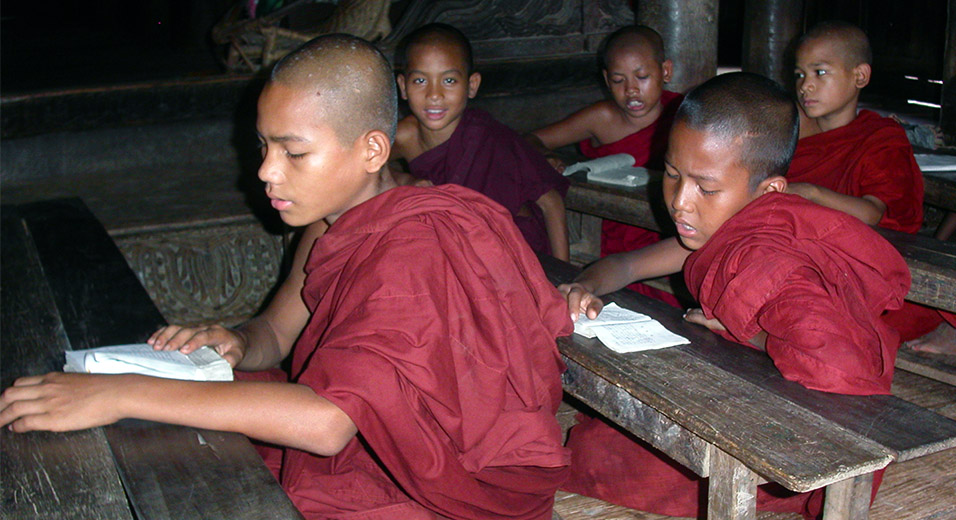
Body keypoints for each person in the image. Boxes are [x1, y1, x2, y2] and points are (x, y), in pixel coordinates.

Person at [0, 34, 574, 520]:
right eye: (263, 147)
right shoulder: (327, 225)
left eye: (293, 153)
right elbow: (276, 332)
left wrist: (119, 394)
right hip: (359, 431)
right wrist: (236, 340)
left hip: (441, 474)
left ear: (372, 148)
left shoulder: (415, 246)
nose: (266, 172)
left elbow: (327, 426)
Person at [558, 72, 910, 519]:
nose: (680, 202)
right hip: (760, 391)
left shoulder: (771, 254)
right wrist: (585, 286)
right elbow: (630, 264)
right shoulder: (725, 226)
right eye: (670, 174)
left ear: (769, 192)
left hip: (812, 436)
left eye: (705, 188)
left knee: (598, 456)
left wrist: (750, 338)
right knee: (607, 428)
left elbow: (841, 365)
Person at [787, 20, 954, 356]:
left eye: (820, 73)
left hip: (866, 267)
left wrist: (811, 194)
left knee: (836, 324)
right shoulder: (792, 130)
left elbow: (876, 212)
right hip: (807, 258)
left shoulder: (880, 138)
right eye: (800, 75)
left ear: (859, 77)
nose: (806, 86)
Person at [527, 25, 684, 307]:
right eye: (618, 80)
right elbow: (531, 139)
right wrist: (545, 155)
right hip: (620, 233)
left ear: (666, 71)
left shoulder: (684, 115)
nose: (631, 90)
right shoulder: (601, 117)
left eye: (642, 76)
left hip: (673, 231)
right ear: (605, 80)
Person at [390, 23, 571, 261]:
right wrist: (406, 180)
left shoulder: (490, 137)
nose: (434, 95)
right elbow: (363, 169)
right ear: (403, 86)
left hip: (512, 251)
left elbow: (551, 202)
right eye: (420, 81)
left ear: (471, 85)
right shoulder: (403, 136)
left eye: (449, 81)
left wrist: (565, 275)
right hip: (448, 249)